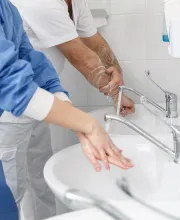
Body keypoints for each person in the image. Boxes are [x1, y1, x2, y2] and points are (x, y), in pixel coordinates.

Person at [0, 0, 133, 219]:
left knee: (39, 181)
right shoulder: (40, 3)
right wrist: (86, 124)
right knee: (10, 192)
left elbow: (37, 65)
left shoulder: (8, 9)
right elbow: (10, 82)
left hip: (41, 101)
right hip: (11, 110)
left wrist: (77, 121)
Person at [10, 0, 135, 119]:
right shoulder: (43, 3)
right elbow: (82, 58)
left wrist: (117, 75)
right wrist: (116, 94)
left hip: (40, 97)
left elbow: (96, 44)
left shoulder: (75, 2)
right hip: (12, 101)